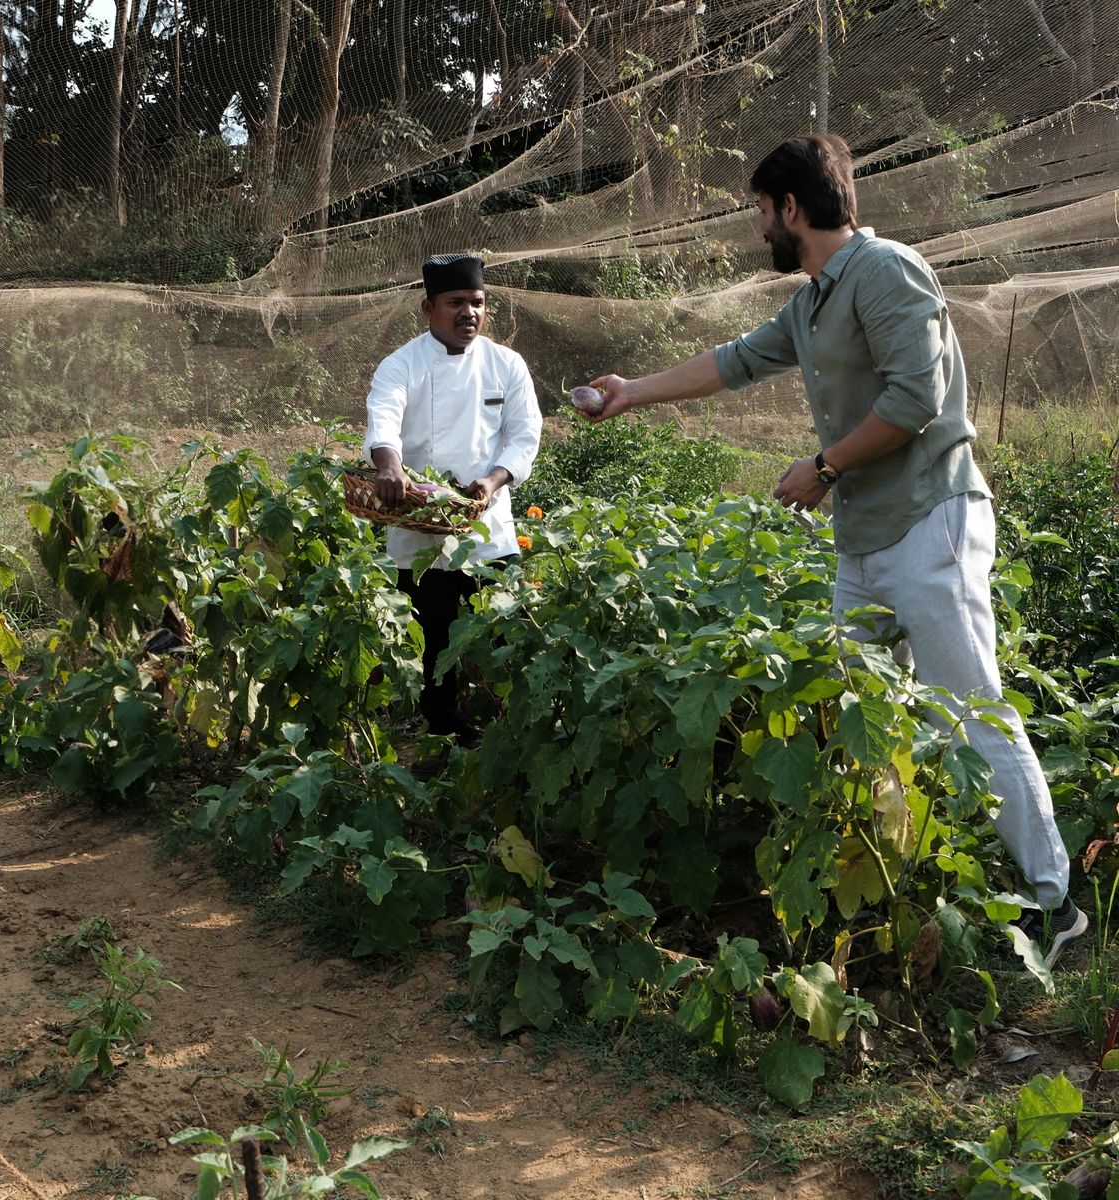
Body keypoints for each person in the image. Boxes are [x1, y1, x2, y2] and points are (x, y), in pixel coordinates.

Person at [585, 134, 1087, 966]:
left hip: (929, 522)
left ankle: (1054, 900)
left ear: (791, 207)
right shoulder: (816, 299)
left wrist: (823, 467)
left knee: (971, 711)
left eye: (762, 211)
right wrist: (630, 392)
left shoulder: (885, 271)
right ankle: (880, 888)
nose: (760, 229)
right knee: (845, 707)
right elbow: (738, 361)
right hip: (865, 541)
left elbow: (917, 399)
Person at [363, 252, 542, 741]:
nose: (470, 313)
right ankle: (443, 737)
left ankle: (505, 735)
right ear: (428, 308)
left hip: (488, 529)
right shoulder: (401, 365)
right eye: (456, 302)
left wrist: (493, 480)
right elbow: (384, 417)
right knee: (432, 643)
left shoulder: (506, 364)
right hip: (420, 531)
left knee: (504, 634)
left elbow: (524, 436)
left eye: (477, 302)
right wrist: (389, 466)